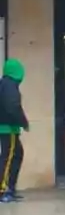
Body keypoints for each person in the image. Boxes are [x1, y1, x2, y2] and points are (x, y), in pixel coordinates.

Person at [0, 57, 29, 203]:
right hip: (8, 128)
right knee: (9, 157)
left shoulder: (4, 84)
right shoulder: (10, 85)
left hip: (7, 127)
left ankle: (10, 187)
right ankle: (3, 190)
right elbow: (13, 107)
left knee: (17, 154)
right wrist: (23, 122)